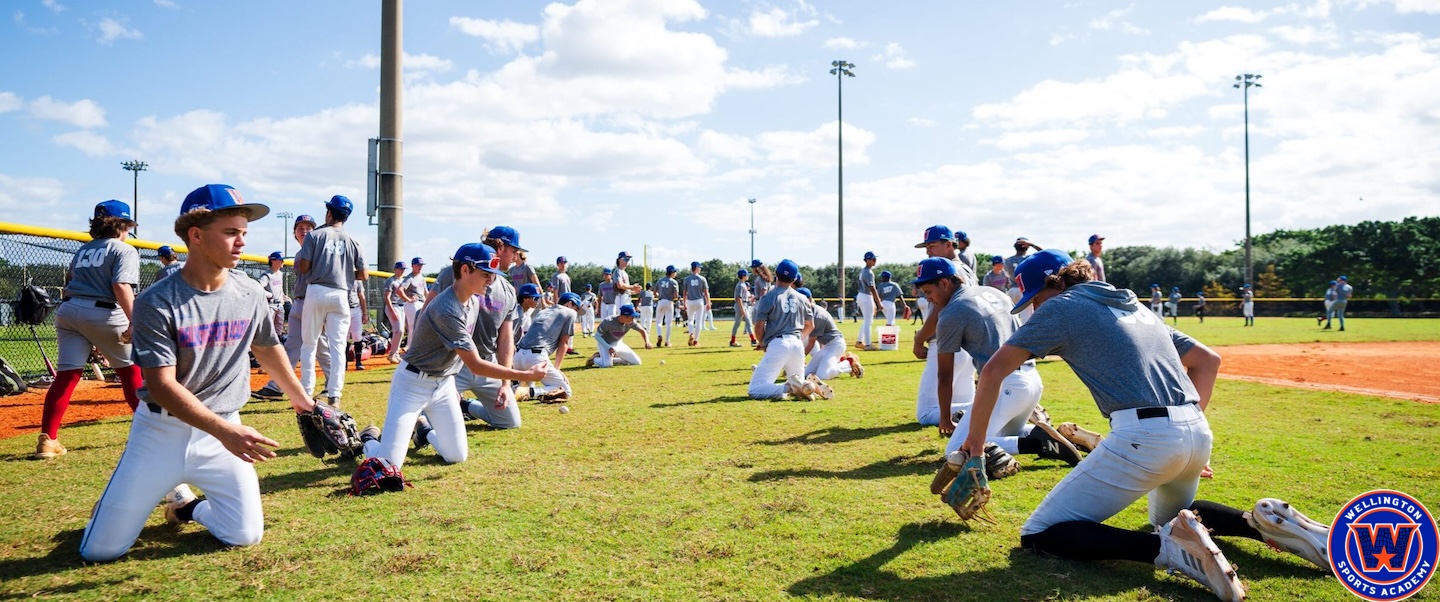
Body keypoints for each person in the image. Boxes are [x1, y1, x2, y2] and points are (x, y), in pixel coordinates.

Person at [960, 248, 1330, 602]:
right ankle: (1260, 522)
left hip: (1145, 435)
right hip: (1195, 430)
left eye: (1036, 298)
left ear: (1055, 284)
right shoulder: (1136, 306)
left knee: (1040, 534)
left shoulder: (1063, 305)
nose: (1036, 309)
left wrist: (974, 450)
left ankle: (1167, 550)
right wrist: (1185, 431)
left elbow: (993, 370)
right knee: (1172, 519)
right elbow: (1207, 360)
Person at [79, 183, 319, 561]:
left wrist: (304, 403)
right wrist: (226, 432)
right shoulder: (156, 301)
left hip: (224, 429)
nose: (241, 242)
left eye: (243, 232)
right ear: (196, 235)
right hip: (162, 431)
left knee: (244, 535)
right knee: (100, 551)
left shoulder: (250, 291)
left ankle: (184, 506)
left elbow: (267, 347)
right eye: (229, 232)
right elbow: (160, 385)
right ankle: (121, 508)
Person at [360, 243, 547, 468]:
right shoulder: (446, 308)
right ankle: (368, 440)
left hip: (443, 384)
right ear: (465, 270)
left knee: (457, 456)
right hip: (412, 385)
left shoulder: (473, 301)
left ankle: (425, 432)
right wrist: (526, 374)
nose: (491, 280)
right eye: (485, 274)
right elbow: (476, 365)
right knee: (388, 466)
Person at [914, 255, 1083, 468]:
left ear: (945, 283)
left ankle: (1038, 443)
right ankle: (1068, 436)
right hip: (1031, 380)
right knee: (1006, 433)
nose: (928, 299)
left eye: (928, 292)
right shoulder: (992, 291)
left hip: (1003, 385)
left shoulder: (950, 313)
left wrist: (946, 419)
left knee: (955, 449)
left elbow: (945, 374)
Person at [35, 200, 145, 459]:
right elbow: (121, 286)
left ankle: (47, 441)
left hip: (69, 311)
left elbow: (70, 281)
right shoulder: (124, 249)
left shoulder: (83, 250)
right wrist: (135, 320)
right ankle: (152, 435)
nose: (128, 232)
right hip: (104, 311)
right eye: (127, 226)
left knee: (66, 377)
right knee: (131, 372)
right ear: (121, 225)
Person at [295, 195, 366, 407]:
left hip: (316, 290)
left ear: (329, 213)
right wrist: (342, 270)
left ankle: (307, 393)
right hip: (341, 294)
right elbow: (364, 274)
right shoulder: (353, 240)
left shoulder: (315, 235)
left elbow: (304, 267)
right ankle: (335, 395)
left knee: (309, 345)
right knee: (338, 346)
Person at [454, 226, 526, 430]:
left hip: (486, 365)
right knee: (425, 419)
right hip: (452, 365)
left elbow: (505, 340)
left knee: (509, 422)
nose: (515, 258)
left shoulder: (508, 290)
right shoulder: (458, 273)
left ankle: (466, 406)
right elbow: (428, 315)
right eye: (513, 251)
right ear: (500, 246)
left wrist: (505, 382)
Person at [250, 214, 328, 401]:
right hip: (298, 302)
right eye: (300, 228)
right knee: (292, 346)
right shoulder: (300, 254)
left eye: (309, 227)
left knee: (321, 346)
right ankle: (277, 386)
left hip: (313, 303)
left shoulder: (318, 252)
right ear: (294, 233)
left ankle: (332, 386)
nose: (304, 230)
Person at [911, 225, 979, 427]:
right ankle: (997, 406)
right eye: (926, 246)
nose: (928, 250)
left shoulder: (950, 270)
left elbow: (939, 311)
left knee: (926, 413)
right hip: (967, 344)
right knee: (961, 405)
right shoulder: (965, 267)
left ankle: (997, 405)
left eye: (932, 245)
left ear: (949, 244)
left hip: (949, 342)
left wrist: (919, 339)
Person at [749, 260, 823, 400]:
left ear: (776, 274)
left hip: (778, 343)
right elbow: (810, 325)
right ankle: (805, 386)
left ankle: (789, 387)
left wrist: (763, 344)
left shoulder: (768, 297)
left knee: (755, 389)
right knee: (802, 390)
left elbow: (759, 327)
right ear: (794, 279)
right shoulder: (802, 298)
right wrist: (796, 339)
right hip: (797, 344)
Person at [513, 292, 581, 402]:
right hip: (536, 357)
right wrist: (557, 368)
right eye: (576, 308)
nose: (576, 311)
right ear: (569, 304)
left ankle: (516, 389)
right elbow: (564, 342)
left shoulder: (544, 311)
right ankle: (529, 392)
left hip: (518, 356)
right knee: (565, 391)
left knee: (528, 385)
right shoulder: (570, 312)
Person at [797, 287, 862, 380]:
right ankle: (839, 360)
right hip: (827, 346)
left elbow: (811, 343)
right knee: (806, 374)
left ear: (809, 300)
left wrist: (799, 359)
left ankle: (848, 363)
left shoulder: (817, 316)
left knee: (822, 375)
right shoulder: (808, 311)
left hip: (835, 345)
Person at [1004, 237, 1042, 324]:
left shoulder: (1007, 260)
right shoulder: (1030, 259)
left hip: (1011, 290)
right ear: (1027, 247)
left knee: (1012, 319)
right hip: (1024, 291)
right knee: (1026, 318)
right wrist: (1032, 244)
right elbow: (1044, 253)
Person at [383, 261, 411, 362]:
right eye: (400, 268)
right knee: (398, 330)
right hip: (393, 306)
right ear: (395, 269)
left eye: (403, 269)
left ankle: (395, 353)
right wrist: (392, 311)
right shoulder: (391, 280)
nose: (402, 270)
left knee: (401, 331)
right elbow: (387, 297)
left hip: (402, 306)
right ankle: (392, 354)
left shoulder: (404, 281)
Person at [855, 251, 882, 350]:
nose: (875, 261)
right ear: (867, 260)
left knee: (867, 320)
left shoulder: (863, 271)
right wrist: (878, 302)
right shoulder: (869, 272)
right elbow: (872, 288)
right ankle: (868, 344)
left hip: (861, 295)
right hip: (866, 296)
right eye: (873, 259)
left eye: (875, 259)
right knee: (868, 321)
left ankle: (859, 341)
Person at [256, 251, 286, 336]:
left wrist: (284, 296)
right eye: (281, 260)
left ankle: (278, 343)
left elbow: (280, 288)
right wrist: (268, 295)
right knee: (268, 328)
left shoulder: (280, 274)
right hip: (270, 305)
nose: (283, 262)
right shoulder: (267, 275)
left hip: (279, 305)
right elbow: (258, 287)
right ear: (273, 261)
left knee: (279, 328)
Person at [682, 261, 711, 347]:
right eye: (700, 267)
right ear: (697, 268)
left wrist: (684, 303)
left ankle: (691, 333)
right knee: (698, 321)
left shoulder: (686, 279)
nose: (700, 269)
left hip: (690, 301)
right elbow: (706, 292)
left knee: (690, 320)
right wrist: (708, 302)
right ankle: (696, 341)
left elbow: (684, 293)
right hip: (699, 301)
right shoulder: (702, 279)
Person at [401, 257, 427, 342]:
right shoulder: (410, 278)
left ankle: (415, 347)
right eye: (418, 265)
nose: (420, 267)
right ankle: (410, 348)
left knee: (421, 327)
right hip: (413, 304)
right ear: (413, 266)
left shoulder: (422, 277)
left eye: (421, 265)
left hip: (422, 303)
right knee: (413, 327)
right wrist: (408, 299)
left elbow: (426, 292)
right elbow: (399, 290)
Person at [654, 266, 680, 347]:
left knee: (658, 321)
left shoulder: (660, 280)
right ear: (672, 273)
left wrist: (659, 295)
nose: (675, 273)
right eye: (675, 272)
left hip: (661, 301)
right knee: (669, 323)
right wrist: (675, 298)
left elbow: (655, 292)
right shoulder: (674, 282)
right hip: (669, 302)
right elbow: (676, 295)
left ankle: (659, 335)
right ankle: (667, 341)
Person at [730, 269, 756, 347]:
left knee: (747, 322)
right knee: (740, 323)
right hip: (741, 305)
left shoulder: (743, 284)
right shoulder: (740, 285)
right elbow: (739, 298)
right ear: (743, 276)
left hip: (744, 305)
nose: (748, 276)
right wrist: (742, 309)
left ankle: (753, 340)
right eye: (747, 275)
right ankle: (733, 341)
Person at [348, 278, 369, 371]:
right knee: (345, 337)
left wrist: (364, 313)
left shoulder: (357, 279)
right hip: (343, 309)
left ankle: (358, 362)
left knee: (357, 335)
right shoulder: (340, 275)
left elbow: (361, 295)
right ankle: (344, 362)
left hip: (356, 309)